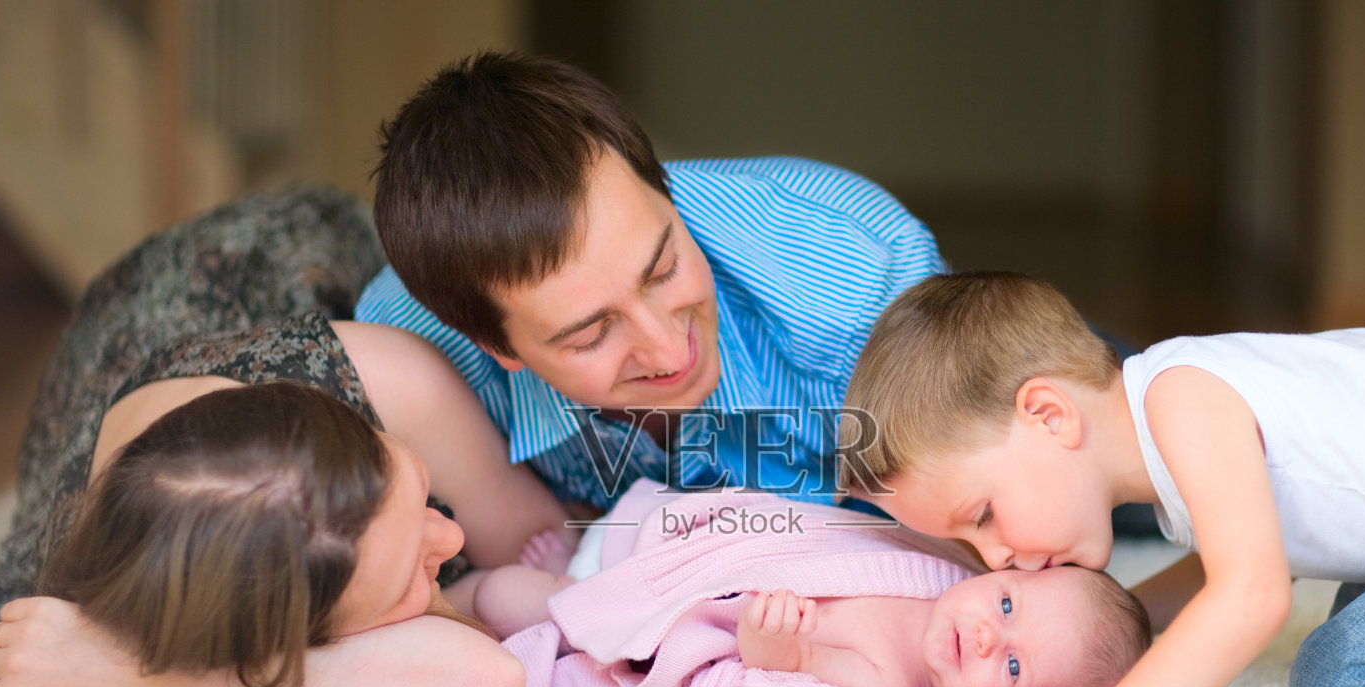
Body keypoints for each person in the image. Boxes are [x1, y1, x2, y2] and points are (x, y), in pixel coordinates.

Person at [0, 186, 575, 687]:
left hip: (265, 253)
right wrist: (144, 679)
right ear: (286, 646)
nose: (455, 537)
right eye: (405, 575)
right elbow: (484, 681)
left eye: (420, 490)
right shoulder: (89, 589)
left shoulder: (395, 382)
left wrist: (129, 674)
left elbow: (555, 551)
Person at [839, 270, 1365, 687]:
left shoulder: (1185, 405)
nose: (994, 557)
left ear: (1049, 414)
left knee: (1347, 681)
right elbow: (1237, 550)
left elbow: (1250, 593)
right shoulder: (1171, 402)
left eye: (984, 514)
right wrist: (1109, 621)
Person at [356, 51, 947, 507]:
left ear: (664, 189)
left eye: (663, 270)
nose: (668, 351)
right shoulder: (410, 359)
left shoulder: (864, 277)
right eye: (589, 335)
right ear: (498, 344)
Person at [472, 488, 1150, 687]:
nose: (984, 634)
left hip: (683, 617)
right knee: (596, 548)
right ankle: (584, 565)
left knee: (503, 597)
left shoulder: (890, 681)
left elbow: (796, 667)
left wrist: (773, 642)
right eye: (1006, 607)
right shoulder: (947, 566)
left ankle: (572, 590)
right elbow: (833, 530)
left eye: (1011, 665)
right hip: (688, 557)